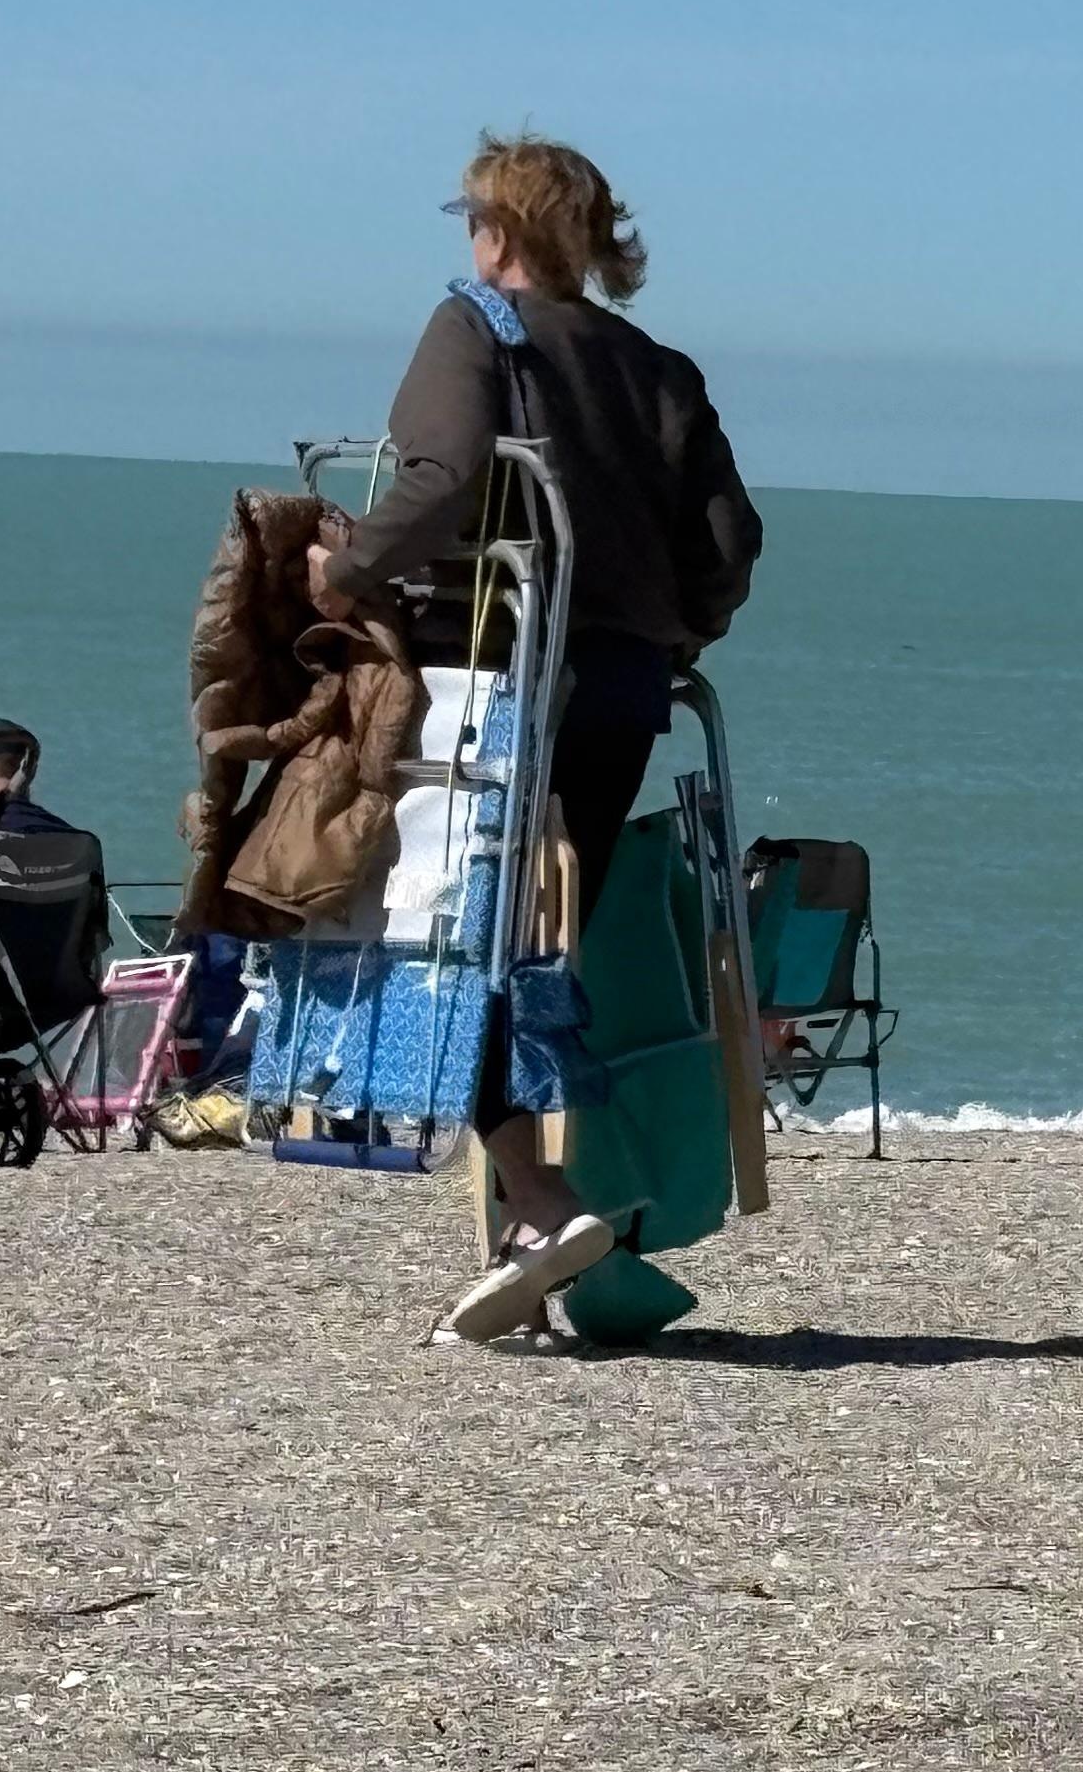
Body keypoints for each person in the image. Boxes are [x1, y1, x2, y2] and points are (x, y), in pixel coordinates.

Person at [316, 132, 765, 1343]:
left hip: (495, 675)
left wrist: (342, 574)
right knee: (531, 942)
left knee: (448, 942)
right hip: (622, 685)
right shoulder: (659, 370)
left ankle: (539, 1199)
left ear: (497, 232)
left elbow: (440, 474)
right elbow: (730, 545)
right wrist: (679, 636)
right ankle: (553, 1210)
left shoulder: (473, 327)